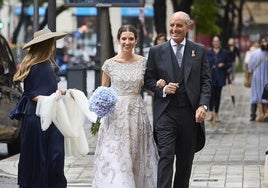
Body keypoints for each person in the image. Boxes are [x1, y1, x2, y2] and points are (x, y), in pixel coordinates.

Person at [144, 11, 211, 188]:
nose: (174, 29)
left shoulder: (199, 50)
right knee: (165, 156)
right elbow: (148, 80)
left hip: (190, 114)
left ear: (188, 27)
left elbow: (206, 80)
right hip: (166, 113)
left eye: (179, 25)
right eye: (172, 25)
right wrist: (163, 88)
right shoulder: (156, 51)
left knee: (185, 160)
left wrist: (203, 105)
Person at [92, 25, 159, 188]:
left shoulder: (142, 62)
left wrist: (159, 84)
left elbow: (150, 83)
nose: (127, 42)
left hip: (136, 113)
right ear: (118, 40)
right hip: (115, 116)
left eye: (130, 38)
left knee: (136, 153)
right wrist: (99, 115)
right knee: (116, 154)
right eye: (124, 38)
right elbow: (102, 91)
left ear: (136, 40)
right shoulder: (109, 64)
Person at [10, 29, 68, 188]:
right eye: (51, 42)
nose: (53, 46)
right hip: (39, 118)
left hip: (44, 116)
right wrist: (53, 96)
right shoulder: (38, 66)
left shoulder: (44, 64)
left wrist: (59, 92)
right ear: (46, 44)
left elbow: (38, 92)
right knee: (44, 157)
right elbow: (33, 94)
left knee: (45, 157)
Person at [206, 36, 229, 122]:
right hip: (210, 77)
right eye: (214, 41)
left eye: (217, 41)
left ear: (220, 42)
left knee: (217, 96)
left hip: (220, 77)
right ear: (212, 43)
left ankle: (217, 113)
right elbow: (205, 64)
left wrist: (224, 65)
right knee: (210, 96)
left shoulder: (224, 53)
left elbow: (228, 63)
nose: (216, 43)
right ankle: (210, 113)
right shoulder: (208, 52)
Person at [248, 37, 268, 122]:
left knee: (257, 95)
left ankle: (260, 114)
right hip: (266, 78)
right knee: (266, 95)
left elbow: (250, 68)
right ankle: (266, 112)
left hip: (257, 78)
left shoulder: (254, 53)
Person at [243, 42, 259, 121]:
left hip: (254, 75)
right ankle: (256, 113)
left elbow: (247, 65)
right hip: (256, 76)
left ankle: (254, 114)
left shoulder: (251, 53)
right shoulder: (260, 53)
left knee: (255, 95)